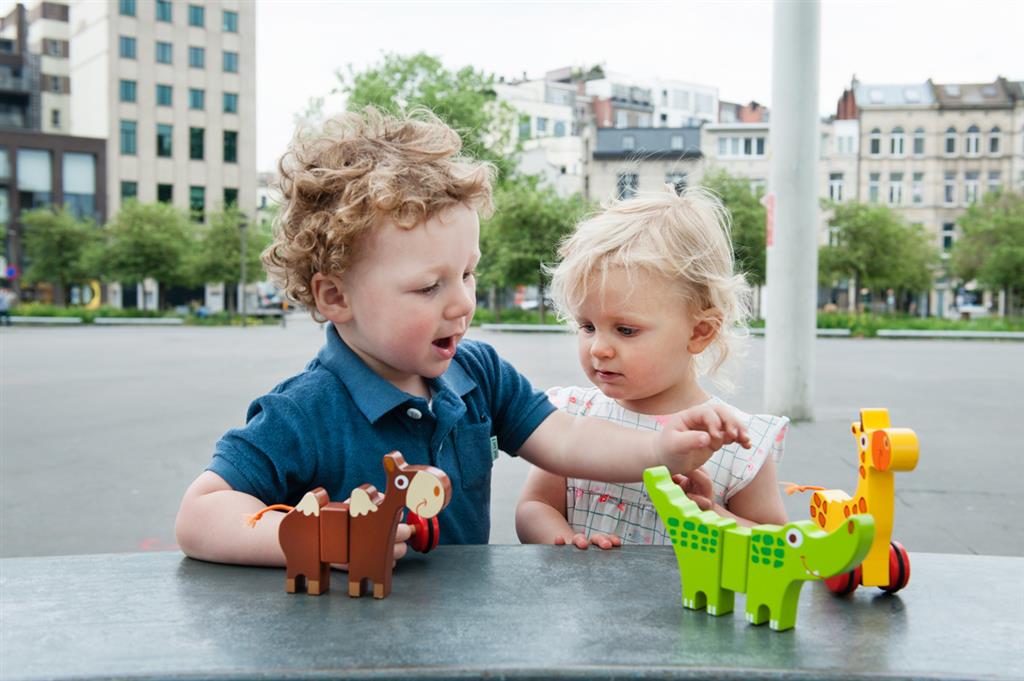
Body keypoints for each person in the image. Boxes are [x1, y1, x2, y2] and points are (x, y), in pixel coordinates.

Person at [174, 108, 751, 567]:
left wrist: (659, 446)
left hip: (466, 637)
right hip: (346, 648)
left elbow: (568, 439)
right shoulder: (304, 411)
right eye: (429, 287)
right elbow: (200, 515)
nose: (462, 302)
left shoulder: (477, 375)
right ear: (335, 298)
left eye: (468, 273)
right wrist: (320, 540)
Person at [515, 187, 789, 550]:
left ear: (699, 332)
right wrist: (566, 540)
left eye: (626, 330)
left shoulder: (734, 441)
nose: (599, 348)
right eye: (587, 326)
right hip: (582, 602)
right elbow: (536, 505)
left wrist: (713, 517)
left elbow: (777, 545)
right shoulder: (572, 419)